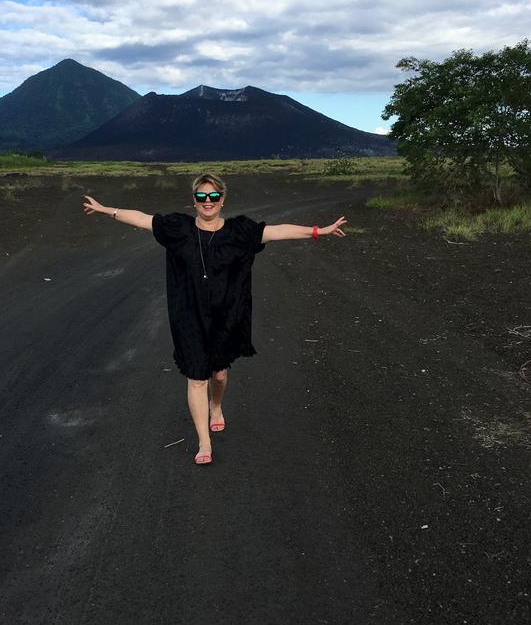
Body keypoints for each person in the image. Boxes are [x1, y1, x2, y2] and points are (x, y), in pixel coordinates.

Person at [82, 171, 347, 466]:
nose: (207, 202)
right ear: (193, 200)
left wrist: (318, 231)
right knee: (197, 377)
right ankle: (203, 442)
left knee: (218, 374)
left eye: (213, 196)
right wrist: (106, 210)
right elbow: (142, 219)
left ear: (222, 199)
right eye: (201, 197)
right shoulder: (178, 229)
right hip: (188, 314)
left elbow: (276, 231)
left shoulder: (238, 232)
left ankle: (216, 405)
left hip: (226, 313)